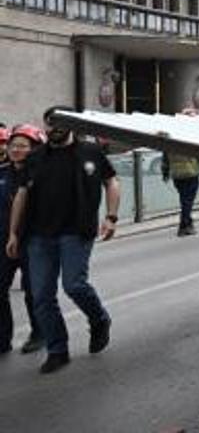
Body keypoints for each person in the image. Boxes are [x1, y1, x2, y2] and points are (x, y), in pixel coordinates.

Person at [6, 105, 120, 374]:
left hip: (76, 232)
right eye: (50, 122)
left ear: (73, 125)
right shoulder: (35, 158)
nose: (54, 127)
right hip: (38, 236)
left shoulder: (90, 152)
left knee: (74, 285)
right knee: (42, 297)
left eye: (60, 122)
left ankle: (99, 319)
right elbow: (22, 195)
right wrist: (13, 232)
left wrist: (111, 217)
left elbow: (111, 181)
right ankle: (58, 350)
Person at [0, 125, 45, 355]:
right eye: (13, 145)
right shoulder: (3, 172)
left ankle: (39, 332)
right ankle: (2, 338)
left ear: (34, 149)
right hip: (3, 241)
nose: (16, 150)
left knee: (33, 290)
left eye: (23, 146)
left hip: (32, 241)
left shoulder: (40, 175)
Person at [161, 110, 199, 237]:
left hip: (176, 173)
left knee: (184, 199)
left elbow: (165, 156)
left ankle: (189, 223)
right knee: (187, 201)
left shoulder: (170, 135)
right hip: (191, 171)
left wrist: (165, 172)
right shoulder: (191, 135)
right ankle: (183, 226)